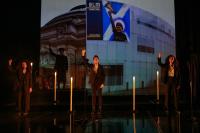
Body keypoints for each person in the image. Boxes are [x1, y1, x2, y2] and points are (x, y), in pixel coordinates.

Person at [81, 49, 105, 114]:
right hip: (93, 83)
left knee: (100, 97)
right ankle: (93, 109)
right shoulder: (91, 66)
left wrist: (103, 83)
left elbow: (103, 76)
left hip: (99, 83)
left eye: (97, 59)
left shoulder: (101, 67)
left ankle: (100, 109)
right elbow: (85, 62)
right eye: (94, 59)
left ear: (98, 60)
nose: (96, 60)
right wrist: (83, 55)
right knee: (93, 96)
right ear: (93, 60)